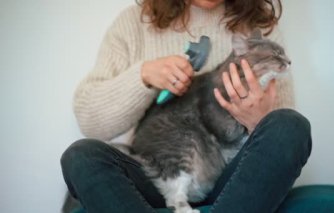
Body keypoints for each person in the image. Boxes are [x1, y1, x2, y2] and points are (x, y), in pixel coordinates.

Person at [60, 0, 312, 212]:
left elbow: (280, 141)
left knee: (291, 126)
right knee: (81, 155)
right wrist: (144, 76)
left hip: (232, 180)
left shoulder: (259, 27)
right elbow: (90, 121)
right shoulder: (133, 24)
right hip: (158, 173)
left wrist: (257, 121)